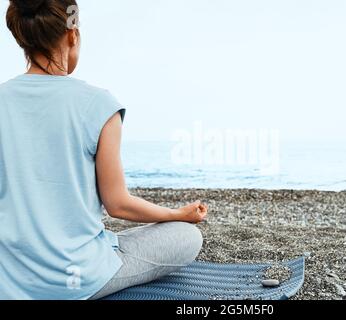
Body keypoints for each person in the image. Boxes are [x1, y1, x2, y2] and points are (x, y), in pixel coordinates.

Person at [0, 0, 208, 300]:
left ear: (23, 39)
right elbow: (118, 204)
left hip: (9, 281)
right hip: (77, 280)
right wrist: (178, 213)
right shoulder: (98, 104)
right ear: (73, 36)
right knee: (186, 236)